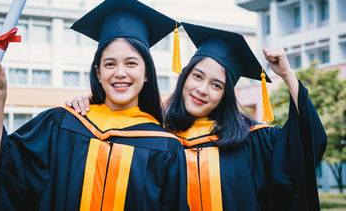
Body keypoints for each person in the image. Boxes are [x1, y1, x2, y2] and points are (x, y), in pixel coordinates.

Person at [0, 0, 189, 211]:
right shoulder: (62, 124)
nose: (120, 72)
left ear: (147, 73)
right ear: (98, 73)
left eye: (131, 63)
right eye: (110, 64)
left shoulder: (165, 147)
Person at [67, 22, 327, 210]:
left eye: (216, 85)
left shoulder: (251, 140)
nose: (202, 90)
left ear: (225, 94)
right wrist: (95, 101)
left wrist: (287, 76)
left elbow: (305, 145)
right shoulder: (156, 136)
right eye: (198, 76)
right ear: (185, 78)